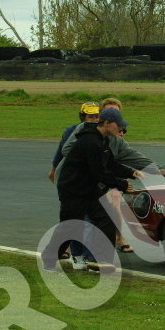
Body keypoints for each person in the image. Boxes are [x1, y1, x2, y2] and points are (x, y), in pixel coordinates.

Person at [55, 96, 165, 254]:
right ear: (104, 118)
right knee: (77, 221)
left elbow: (132, 158)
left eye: (117, 115)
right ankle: (69, 252)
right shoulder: (86, 132)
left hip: (95, 184)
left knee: (99, 216)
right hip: (74, 182)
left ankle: (91, 256)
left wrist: (158, 169)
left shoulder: (113, 140)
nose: (120, 126)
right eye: (110, 113)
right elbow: (66, 150)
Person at [56, 107, 143, 272]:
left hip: (89, 189)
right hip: (72, 189)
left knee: (106, 219)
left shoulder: (102, 140)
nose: (121, 128)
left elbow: (110, 163)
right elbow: (100, 172)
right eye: (118, 125)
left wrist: (131, 172)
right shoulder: (91, 142)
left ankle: (102, 261)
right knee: (70, 227)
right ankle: (51, 255)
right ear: (107, 123)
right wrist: (122, 185)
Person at [48, 101, 99, 183]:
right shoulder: (71, 131)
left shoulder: (103, 131)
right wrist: (54, 170)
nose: (94, 120)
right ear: (83, 117)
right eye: (90, 117)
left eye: (97, 117)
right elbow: (62, 151)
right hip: (75, 171)